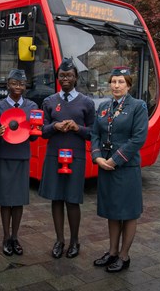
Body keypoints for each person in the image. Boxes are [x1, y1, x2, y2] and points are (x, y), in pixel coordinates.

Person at [91, 67, 148, 273]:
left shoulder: (137, 106)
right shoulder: (104, 106)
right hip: (105, 166)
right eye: (113, 81)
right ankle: (112, 252)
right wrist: (97, 157)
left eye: (121, 82)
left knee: (129, 212)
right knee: (112, 211)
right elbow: (95, 133)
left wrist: (114, 160)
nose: (116, 85)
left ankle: (124, 256)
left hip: (125, 168)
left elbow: (138, 138)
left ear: (129, 85)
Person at [38, 58, 95, 259]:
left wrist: (77, 127)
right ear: (58, 77)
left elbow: (92, 132)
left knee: (72, 200)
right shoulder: (49, 101)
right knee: (56, 199)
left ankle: (74, 241)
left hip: (76, 157)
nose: (65, 79)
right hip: (54, 155)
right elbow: (42, 131)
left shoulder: (86, 103)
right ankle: (59, 240)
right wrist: (54, 126)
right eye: (62, 75)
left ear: (76, 77)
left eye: (69, 75)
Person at [0, 69, 38, 256]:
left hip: (21, 157)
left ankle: (15, 237)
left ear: (25, 86)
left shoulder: (32, 106)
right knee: (5, 200)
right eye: (14, 83)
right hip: (4, 156)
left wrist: (36, 130)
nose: (17, 87)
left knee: (18, 200)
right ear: (7, 84)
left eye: (21, 84)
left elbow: (34, 138)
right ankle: (5, 237)